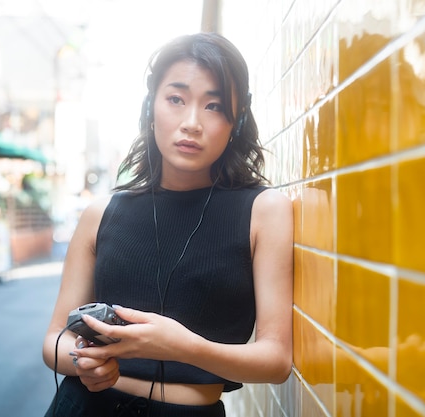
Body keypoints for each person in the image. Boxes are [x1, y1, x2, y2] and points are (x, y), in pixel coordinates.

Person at [42, 32, 293, 417]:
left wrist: (182, 346)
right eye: (176, 99)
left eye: (214, 105)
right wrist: (82, 361)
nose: (191, 123)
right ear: (150, 108)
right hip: (82, 406)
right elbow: (55, 338)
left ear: (236, 121)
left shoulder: (264, 211)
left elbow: (276, 361)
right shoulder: (100, 214)